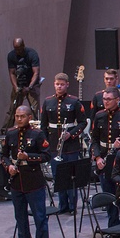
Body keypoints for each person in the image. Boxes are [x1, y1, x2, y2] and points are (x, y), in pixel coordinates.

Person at [2, 106, 51, 238]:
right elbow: (3, 155)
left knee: (39, 216)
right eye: (17, 116)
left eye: (22, 116)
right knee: (20, 215)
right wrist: (8, 166)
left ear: (30, 117)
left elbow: (46, 155)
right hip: (17, 181)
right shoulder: (10, 133)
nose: (19, 119)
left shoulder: (37, 134)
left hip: (34, 181)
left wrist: (28, 157)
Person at [39, 72, 87, 216]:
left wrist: (71, 134)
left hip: (71, 145)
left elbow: (83, 122)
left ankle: (73, 206)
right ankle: (63, 205)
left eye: (62, 84)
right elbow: (43, 125)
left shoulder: (74, 102)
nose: (59, 87)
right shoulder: (48, 102)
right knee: (58, 176)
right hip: (54, 144)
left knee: (71, 175)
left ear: (67, 85)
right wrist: (46, 144)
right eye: (57, 84)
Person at [90, 87, 120, 227]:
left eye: (109, 99)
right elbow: (94, 139)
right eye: (104, 99)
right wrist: (97, 157)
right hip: (104, 158)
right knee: (108, 192)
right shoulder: (99, 115)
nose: (106, 102)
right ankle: (113, 225)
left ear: (117, 100)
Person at [4, 38, 41, 130]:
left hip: (32, 84)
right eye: (16, 49)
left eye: (19, 49)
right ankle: (6, 130)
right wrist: (16, 87)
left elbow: (36, 72)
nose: (18, 51)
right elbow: (12, 73)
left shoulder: (32, 54)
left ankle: (34, 130)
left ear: (23, 46)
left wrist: (30, 87)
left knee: (34, 109)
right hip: (19, 83)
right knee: (13, 108)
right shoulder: (11, 56)